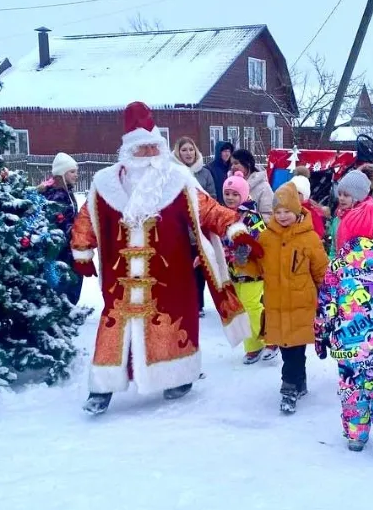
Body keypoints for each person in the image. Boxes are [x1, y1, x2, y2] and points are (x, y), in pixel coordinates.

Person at [71, 102, 258, 415]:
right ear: (127, 149)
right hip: (121, 275)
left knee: (171, 326)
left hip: (169, 275)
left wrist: (234, 227)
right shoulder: (105, 182)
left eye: (150, 147)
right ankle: (102, 387)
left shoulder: (176, 178)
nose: (145, 154)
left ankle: (177, 376)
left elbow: (207, 209)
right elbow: (87, 215)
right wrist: (81, 246)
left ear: (158, 146)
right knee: (115, 327)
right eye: (139, 148)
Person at [315, 197, 373, 453]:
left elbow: (327, 307)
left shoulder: (337, 267)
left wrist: (321, 337)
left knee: (352, 386)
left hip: (348, 341)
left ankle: (357, 435)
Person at [252, 182, 328, 414]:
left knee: (293, 347)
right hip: (276, 302)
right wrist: (244, 258)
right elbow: (256, 268)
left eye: (287, 211)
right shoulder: (266, 237)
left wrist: (326, 295)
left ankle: (289, 387)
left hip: (301, 302)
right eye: (278, 212)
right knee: (289, 347)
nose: (283, 216)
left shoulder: (310, 238)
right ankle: (300, 381)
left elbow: (321, 269)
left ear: (297, 211)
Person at [221, 172, 276, 364]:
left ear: (243, 195)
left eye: (235, 194)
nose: (230, 197)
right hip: (234, 270)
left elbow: (262, 237)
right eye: (227, 193)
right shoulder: (224, 215)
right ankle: (253, 346)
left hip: (252, 269)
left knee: (252, 305)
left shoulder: (251, 215)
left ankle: (270, 338)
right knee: (242, 308)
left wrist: (246, 246)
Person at [174, 137, 214, 317]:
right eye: (184, 150)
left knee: (199, 269)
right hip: (179, 230)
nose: (188, 153)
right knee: (181, 268)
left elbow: (212, 197)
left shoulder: (204, 173)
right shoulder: (172, 173)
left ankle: (198, 304)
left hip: (199, 229)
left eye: (191, 149)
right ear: (177, 152)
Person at [38, 152, 84, 305]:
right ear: (61, 173)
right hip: (62, 247)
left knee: (72, 275)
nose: (76, 175)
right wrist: (76, 233)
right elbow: (59, 222)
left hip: (69, 244)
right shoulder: (57, 195)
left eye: (76, 171)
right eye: (72, 171)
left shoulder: (66, 192)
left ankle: (66, 304)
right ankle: (65, 306)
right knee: (66, 276)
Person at [327, 169, 373, 257]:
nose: (341, 198)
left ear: (357, 197)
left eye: (346, 195)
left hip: (367, 268)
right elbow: (335, 249)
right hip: (342, 268)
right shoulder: (338, 219)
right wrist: (332, 266)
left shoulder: (371, 220)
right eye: (339, 194)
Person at [231, 149, 273, 223]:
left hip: (255, 233)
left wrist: (248, 219)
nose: (232, 167)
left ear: (248, 163)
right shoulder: (229, 185)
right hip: (232, 231)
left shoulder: (263, 187)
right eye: (231, 164)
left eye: (236, 163)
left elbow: (269, 216)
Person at [288, 166, 326, 239]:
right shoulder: (286, 209)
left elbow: (318, 232)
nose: (294, 195)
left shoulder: (311, 213)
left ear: (305, 195)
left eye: (298, 193)